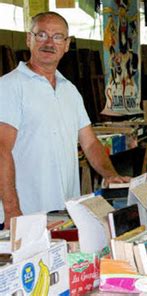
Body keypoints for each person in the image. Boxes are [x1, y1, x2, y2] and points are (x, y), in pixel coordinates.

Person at [0, 12, 130, 229]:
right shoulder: (9, 86)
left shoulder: (69, 90)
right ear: (28, 39)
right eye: (41, 35)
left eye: (58, 37)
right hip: (25, 216)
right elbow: (1, 149)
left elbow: (89, 143)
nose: (49, 43)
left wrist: (111, 175)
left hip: (65, 213)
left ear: (67, 44)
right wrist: (12, 210)